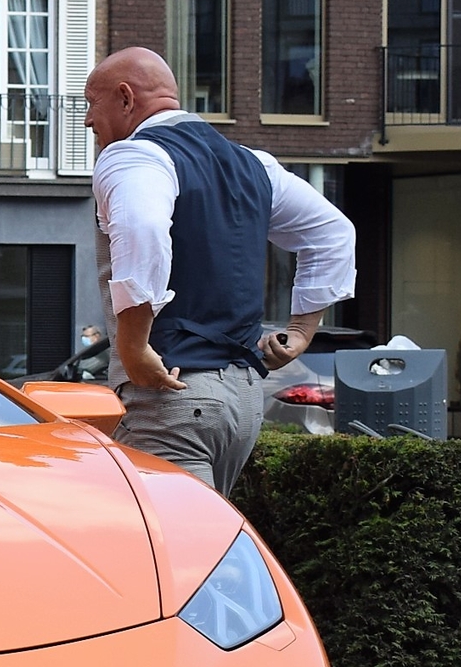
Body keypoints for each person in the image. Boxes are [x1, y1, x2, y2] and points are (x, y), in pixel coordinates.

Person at [82, 47, 356, 493]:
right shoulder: (254, 165)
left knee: (173, 555)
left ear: (126, 98)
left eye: (92, 102)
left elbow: (143, 225)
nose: (89, 120)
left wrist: (133, 347)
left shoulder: (132, 156)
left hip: (172, 399)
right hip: (243, 404)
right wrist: (301, 331)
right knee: (203, 548)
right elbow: (333, 232)